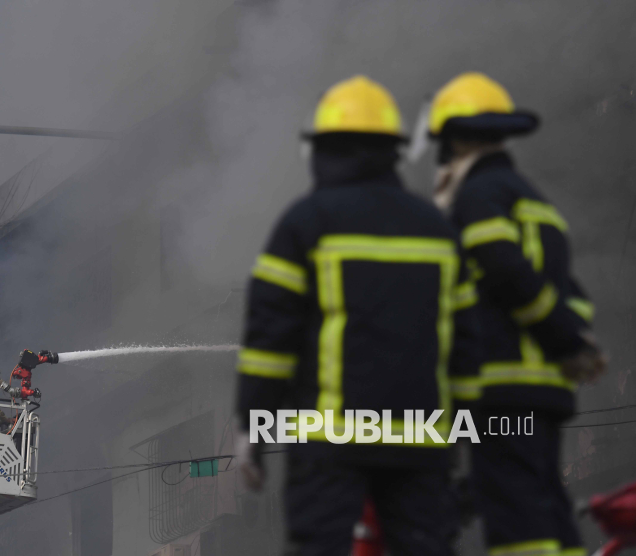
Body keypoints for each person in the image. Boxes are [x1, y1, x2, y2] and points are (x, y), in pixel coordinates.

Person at [233, 75, 481, 556]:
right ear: (393, 150)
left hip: (331, 443)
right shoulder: (436, 229)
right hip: (421, 442)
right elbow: (468, 346)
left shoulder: (305, 223)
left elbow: (270, 344)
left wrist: (252, 426)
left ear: (322, 149)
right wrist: (473, 431)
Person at [427, 72, 608, 556]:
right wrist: (574, 342)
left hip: (500, 389)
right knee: (548, 509)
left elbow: (504, 269)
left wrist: (565, 341)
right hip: (546, 388)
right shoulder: (532, 199)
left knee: (516, 521)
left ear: (457, 141)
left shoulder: (479, 195)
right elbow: (569, 292)